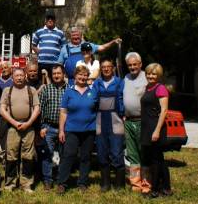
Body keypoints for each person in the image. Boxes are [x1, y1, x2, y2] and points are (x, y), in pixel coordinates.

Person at [57, 65, 96, 194]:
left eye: (85, 75)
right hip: (71, 130)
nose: (83, 77)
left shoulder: (93, 90)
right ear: (75, 76)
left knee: (85, 157)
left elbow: (97, 109)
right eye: (80, 75)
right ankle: (62, 183)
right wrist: (61, 130)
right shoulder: (69, 91)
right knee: (68, 156)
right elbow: (63, 112)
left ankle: (82, 183)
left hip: (89, 130)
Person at [0, 67, 40, 192]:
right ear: (13, 77)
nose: (19, 78)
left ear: (25, 76)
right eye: (16, 75)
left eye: (21, 75)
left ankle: (26, 184)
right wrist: (14, 122)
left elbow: (37, 109)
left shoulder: (31, 90)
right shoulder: (7, 90)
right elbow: (2, 109)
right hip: (12, 127)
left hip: (28, 127)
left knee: (28, 157)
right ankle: (10, 184)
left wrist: (28, 123)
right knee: (11, 156)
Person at [93, 58, 125, 191]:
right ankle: (105, 183)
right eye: (103, 67)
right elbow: (93, 100)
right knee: (101, 152)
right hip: (100, 119)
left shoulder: (119, 82)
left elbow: (123, 99)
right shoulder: (97, 83)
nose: (106, 69)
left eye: (108, 66)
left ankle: (119, 184)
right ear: (101, 69)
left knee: (117, 152)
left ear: (113, 68)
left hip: (116, 118)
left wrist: (124, 114)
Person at [140, 63, 172, 198]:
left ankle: (155, 189)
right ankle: (166, 188)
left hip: (156, 127)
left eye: (153, 74)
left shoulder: (161, 88)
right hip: (147, 126)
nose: (150, 76)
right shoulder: (148, 88)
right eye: (148, 73)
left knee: (156, 160)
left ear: (158, 75)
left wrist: (157, 130)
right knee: (158, 159)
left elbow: (164, 111)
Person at [122, 52, 149, 192]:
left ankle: (146, 182)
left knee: (144, 152)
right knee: (132, 154)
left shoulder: (147, 77)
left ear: (140, 64)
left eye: (135, 64)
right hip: (128, 122)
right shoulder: (125, 78)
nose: (132, 67)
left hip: (143, 121)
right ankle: (135, 183)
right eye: (130, 65)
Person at [37, 65, 67, 190]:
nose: (56, 75)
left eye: (58, 73)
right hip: (48, 127)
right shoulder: (46, 89)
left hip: (65, 129)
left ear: (63, 74)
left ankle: (61, 182)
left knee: (64, 156)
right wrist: (42, 126)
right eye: (54, 73)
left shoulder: (69, 90)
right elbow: (40, 109)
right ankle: (48, 180)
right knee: (47, 155)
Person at [31, 12, 66, 76]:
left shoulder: (60, 33)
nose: (50, 20)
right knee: (41, 83)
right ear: (45, 20)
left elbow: (64, 48)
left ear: (55, 20)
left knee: (54, 82)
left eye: (52, 18)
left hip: (55, 63)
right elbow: (33, 45)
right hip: (42, 62)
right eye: (48, 18)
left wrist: (61, 60)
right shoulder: (39, 32)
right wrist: (39, 52)